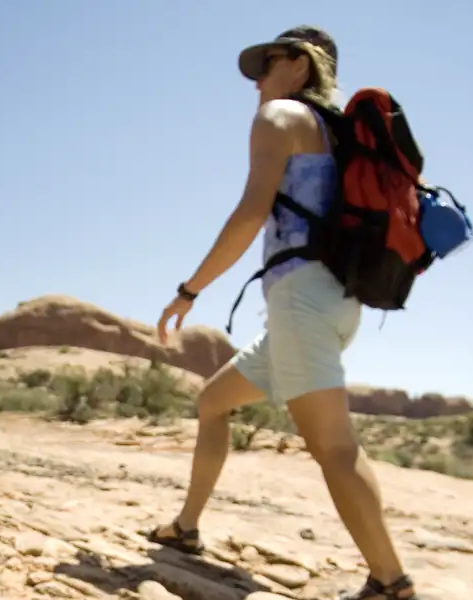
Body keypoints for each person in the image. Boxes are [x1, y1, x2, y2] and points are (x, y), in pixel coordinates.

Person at [150, 26, 421, 600]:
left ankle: (391, 582)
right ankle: (186, 528)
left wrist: (189, 290)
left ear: (300, 65)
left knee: (334, 447)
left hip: (301, 303)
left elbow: (251, 214)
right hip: (330, 305)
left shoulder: (280, 117)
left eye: (267, 65)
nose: (257, 83)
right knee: (213, 402)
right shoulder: (337, 136)